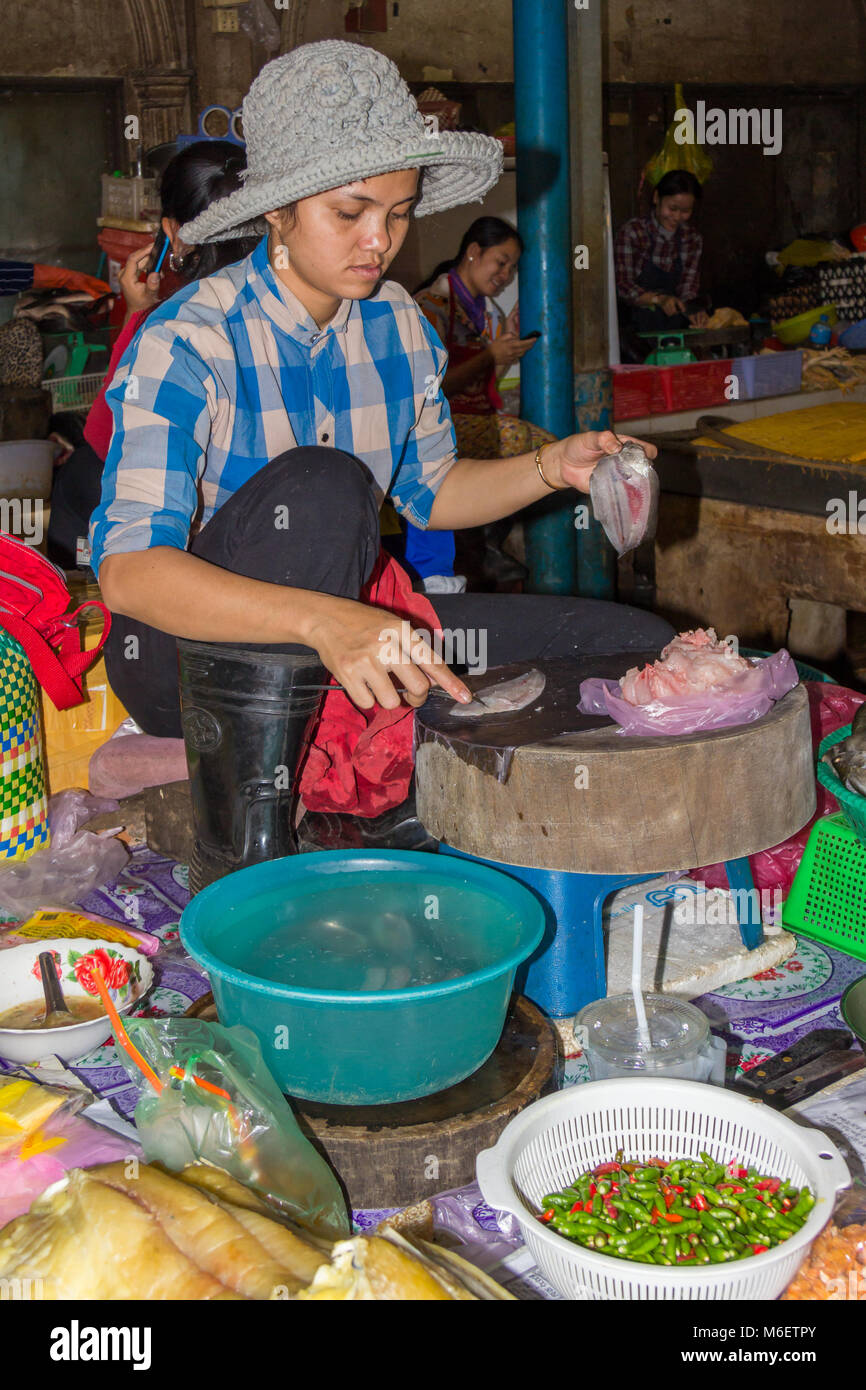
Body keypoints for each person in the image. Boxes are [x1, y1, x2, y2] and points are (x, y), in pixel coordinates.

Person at [89, 41, 669, 893]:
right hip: (185, 655)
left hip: (349, 640)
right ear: (278, 210)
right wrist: (327, 622)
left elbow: (431, 494)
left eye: (398, 214)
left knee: (630, 648)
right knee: (323, 485)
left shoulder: (397, 324)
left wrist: (553, 468)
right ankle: (256, 843)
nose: (380, 241)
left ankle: (398, 779)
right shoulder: (190, 340)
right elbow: (129, 573)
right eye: (352, 211)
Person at [46, 143, 258, 567]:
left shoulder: (172, 320)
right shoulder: (283, 309)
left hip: (114, 503)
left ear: (173, 232)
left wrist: (140, 314)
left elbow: (106, 432)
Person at [395, 217, 551, 590]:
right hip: (435, 430)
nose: (507, 274)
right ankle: (484, 544)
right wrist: (490, 355)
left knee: (537, 454)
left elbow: (484, 383)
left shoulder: (482, 312)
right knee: (538, 449)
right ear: (473, 252)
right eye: (502, 261)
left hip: (471, 420)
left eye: (513, 268)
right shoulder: (432, 306)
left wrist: (505, 349)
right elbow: (431, 390)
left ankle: (481, 544)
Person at [614, 169, 708, 356]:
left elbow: (688, 290)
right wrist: (658, 299)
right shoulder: (633, 233)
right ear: (657, 197)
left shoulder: (692, 239)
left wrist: (695, 311)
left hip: (674, 337)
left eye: (685, 211)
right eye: (672, 208)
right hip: (634, 339)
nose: (677, 217)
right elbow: (623, 286)